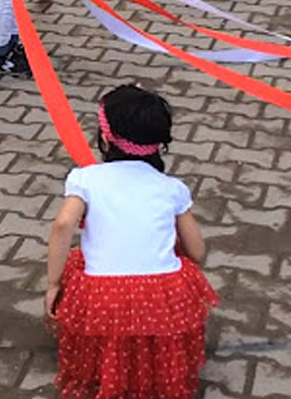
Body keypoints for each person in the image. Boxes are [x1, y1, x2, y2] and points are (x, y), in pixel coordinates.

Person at [46, 85, 217, 399]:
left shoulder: (86, 178)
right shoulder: (171, 188)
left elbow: (63, 224)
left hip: (102, 296)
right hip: (160, 295)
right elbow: (198, 250)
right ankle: (150, 371)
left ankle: (107, 370)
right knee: (164, 291)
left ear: (106, 137)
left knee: (79, 265)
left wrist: (53, 284)